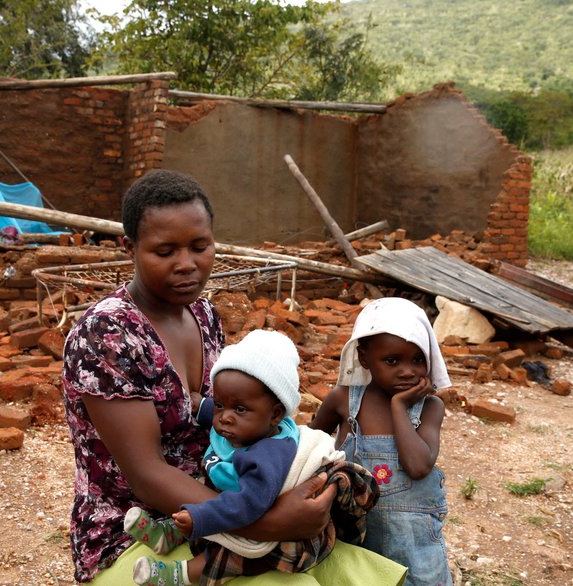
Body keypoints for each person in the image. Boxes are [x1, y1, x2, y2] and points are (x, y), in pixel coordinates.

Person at [61, 169, 406, 585]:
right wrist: (266, 522)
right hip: (138, 528)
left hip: (224, 498)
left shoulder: (202, 314)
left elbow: (233, 417)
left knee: (353, 571)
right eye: (164, 251)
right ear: (129, 247)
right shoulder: (109, 335)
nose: (187, 264)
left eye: (199, 246)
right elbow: (146, 474)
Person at [125, 329, 395, 585]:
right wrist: (201, 405)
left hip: (265, 519)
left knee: (230, 555)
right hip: (231, 498)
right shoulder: (245, 424)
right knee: (199, 492)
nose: (225, 417)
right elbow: (222, 409)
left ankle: (177, 575)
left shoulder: (266, 456)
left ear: (276, 414)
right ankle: (168, 534)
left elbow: (246, 507)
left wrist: (200, 517)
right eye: (220, 404)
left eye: (239, 408)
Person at [310, 297, 454, 586]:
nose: (408, 371)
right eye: (392, 361)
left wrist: (399, 407)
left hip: (413, 546)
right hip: (353, 537)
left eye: (417, 359)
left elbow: (418, 465)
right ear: (364, 358)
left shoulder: (429, 407)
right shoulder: (344, 400)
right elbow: (308, 445)